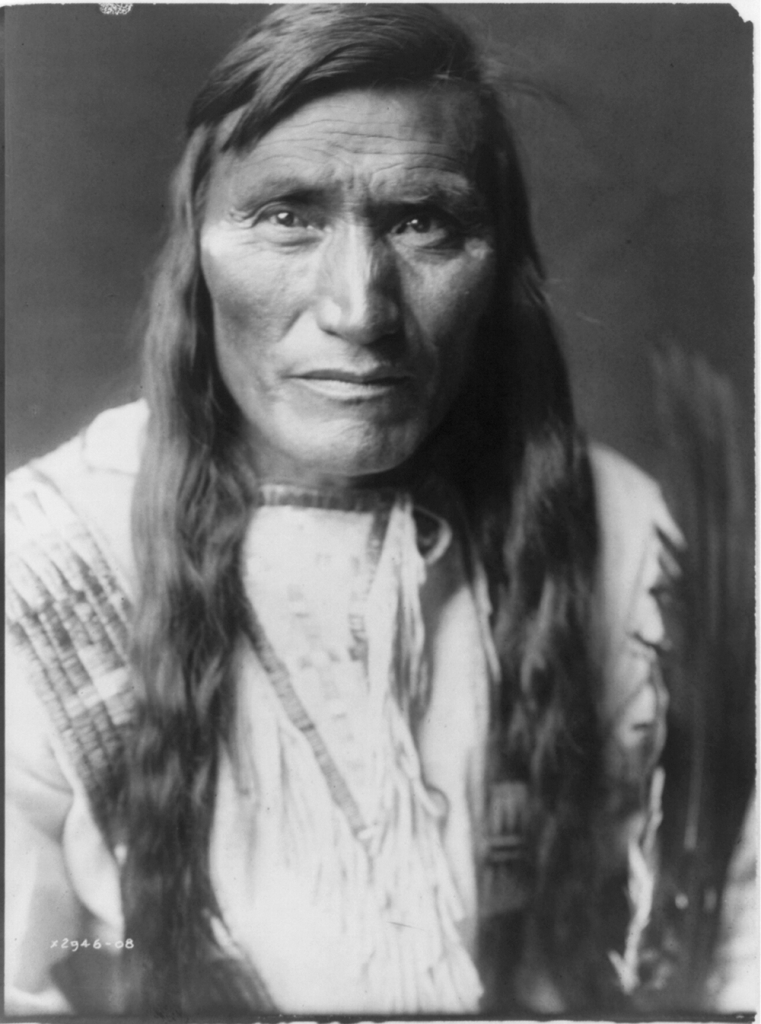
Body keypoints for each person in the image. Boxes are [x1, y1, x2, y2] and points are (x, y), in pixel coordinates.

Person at [4, 4, 752, 1017]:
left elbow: (732, 932)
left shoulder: (616, 531)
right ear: (196, 258)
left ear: (499, 273)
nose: (359, 309)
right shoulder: (44, 564)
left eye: (420, 222)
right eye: (287, 216)